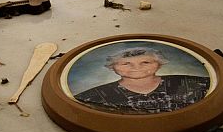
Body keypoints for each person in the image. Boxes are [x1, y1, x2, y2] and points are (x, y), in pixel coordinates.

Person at [73, 46, 208, 114]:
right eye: (126, 63)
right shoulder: (91, 97)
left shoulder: (197, 84)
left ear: (159, 64)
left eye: (146, 62)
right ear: (112, 67)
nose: (136, 67)